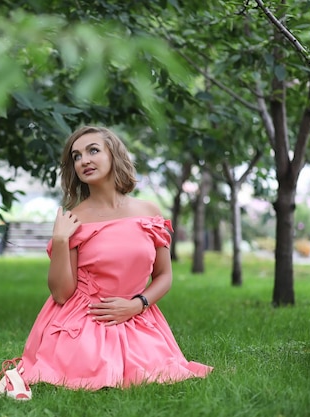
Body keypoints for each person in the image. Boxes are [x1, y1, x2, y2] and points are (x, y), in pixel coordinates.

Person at [19, 126, 213, 390]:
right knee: (91, 375)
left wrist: (137, 304)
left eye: (93, 150)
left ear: (114, 155)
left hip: (138, 315)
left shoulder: (148, 212)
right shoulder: (73, 219)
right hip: (86, 318)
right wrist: (62, 241)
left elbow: (164, 276)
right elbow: (61, 294)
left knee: (154, 374)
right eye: (76, 156)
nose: (84, 160)